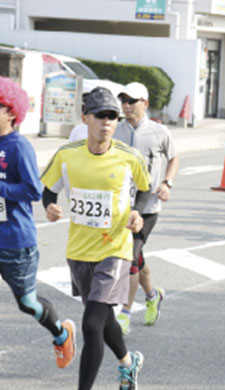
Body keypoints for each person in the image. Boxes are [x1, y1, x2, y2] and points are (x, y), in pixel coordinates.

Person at [41, 87, 150, 390]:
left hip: (114, 249)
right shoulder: (67, 155)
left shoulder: (129, 157)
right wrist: (49, 205)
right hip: (79, 251)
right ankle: (129, 362)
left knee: (91, 324)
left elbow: (145, 188)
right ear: (85, 118)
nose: (106, 122)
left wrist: (137, 212)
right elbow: (48, 188)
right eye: (100, 115)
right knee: (104, 321)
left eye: (112, 116)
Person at [0, 76, 76, 369]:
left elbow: (33, 190)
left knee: (27, 304)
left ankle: (61, 335)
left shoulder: (19, 147)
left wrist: (2, 188)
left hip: (16, 242)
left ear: (11, 112)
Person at [113, 82, 178, 335]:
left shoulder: (159, 131)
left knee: (131, 255)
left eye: (132, 100)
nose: (126, 105)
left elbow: (174, 157)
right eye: (124, 100)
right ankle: (152, 295)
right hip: (120, 205)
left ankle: (125, 313)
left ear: (145, 104)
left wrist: (167, 183)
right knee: (137, 258)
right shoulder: (115, 130)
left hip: (148, 206)